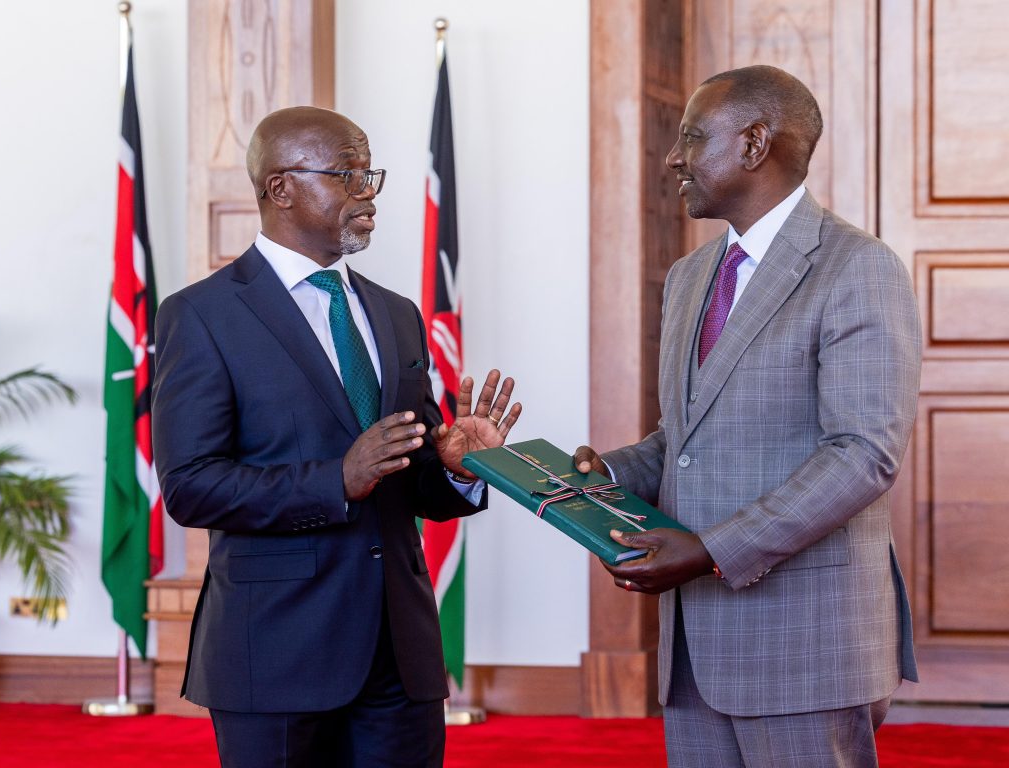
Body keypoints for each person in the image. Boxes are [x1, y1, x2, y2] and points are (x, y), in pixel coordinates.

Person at [152, 105, 521, 768]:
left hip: (400, 656)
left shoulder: (396, 313)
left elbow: (410, 481)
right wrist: (335, 479)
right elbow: (190, 487)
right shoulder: (202, 316)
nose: (368, 192)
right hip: (276, 655)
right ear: (280, 188)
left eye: (370, 173)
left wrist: (458, 467)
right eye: (347, 174)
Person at [574, 65, 921, 767]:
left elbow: (863, 453)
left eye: (693, 137)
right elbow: (684, 441)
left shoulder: (858, 268)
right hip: (695, 647)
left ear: (756, 144)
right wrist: (596, 472)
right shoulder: (689, 276)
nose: (673, 157)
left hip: (804, 646)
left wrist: (711, 551)